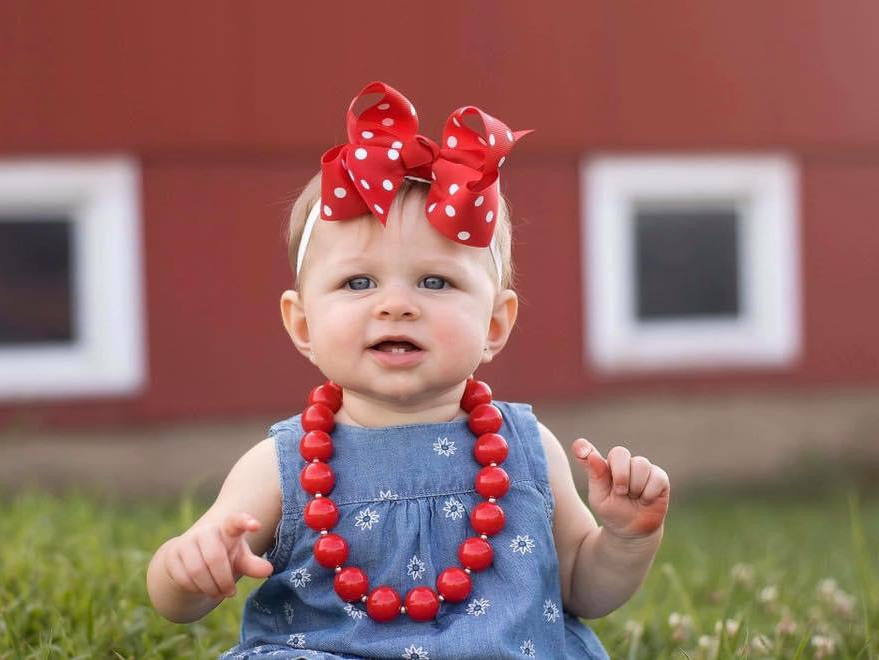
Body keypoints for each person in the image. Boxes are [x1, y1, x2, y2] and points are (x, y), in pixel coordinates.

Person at [146, 81, 670, 659]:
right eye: (358, 283)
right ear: (303, 326)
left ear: (494, 324)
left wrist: (623, 539)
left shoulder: (527, 451)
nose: (396, 304)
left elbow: (581, 589)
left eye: (435, 281)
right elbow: (177, 602)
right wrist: (187, 568)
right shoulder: (281, 465)